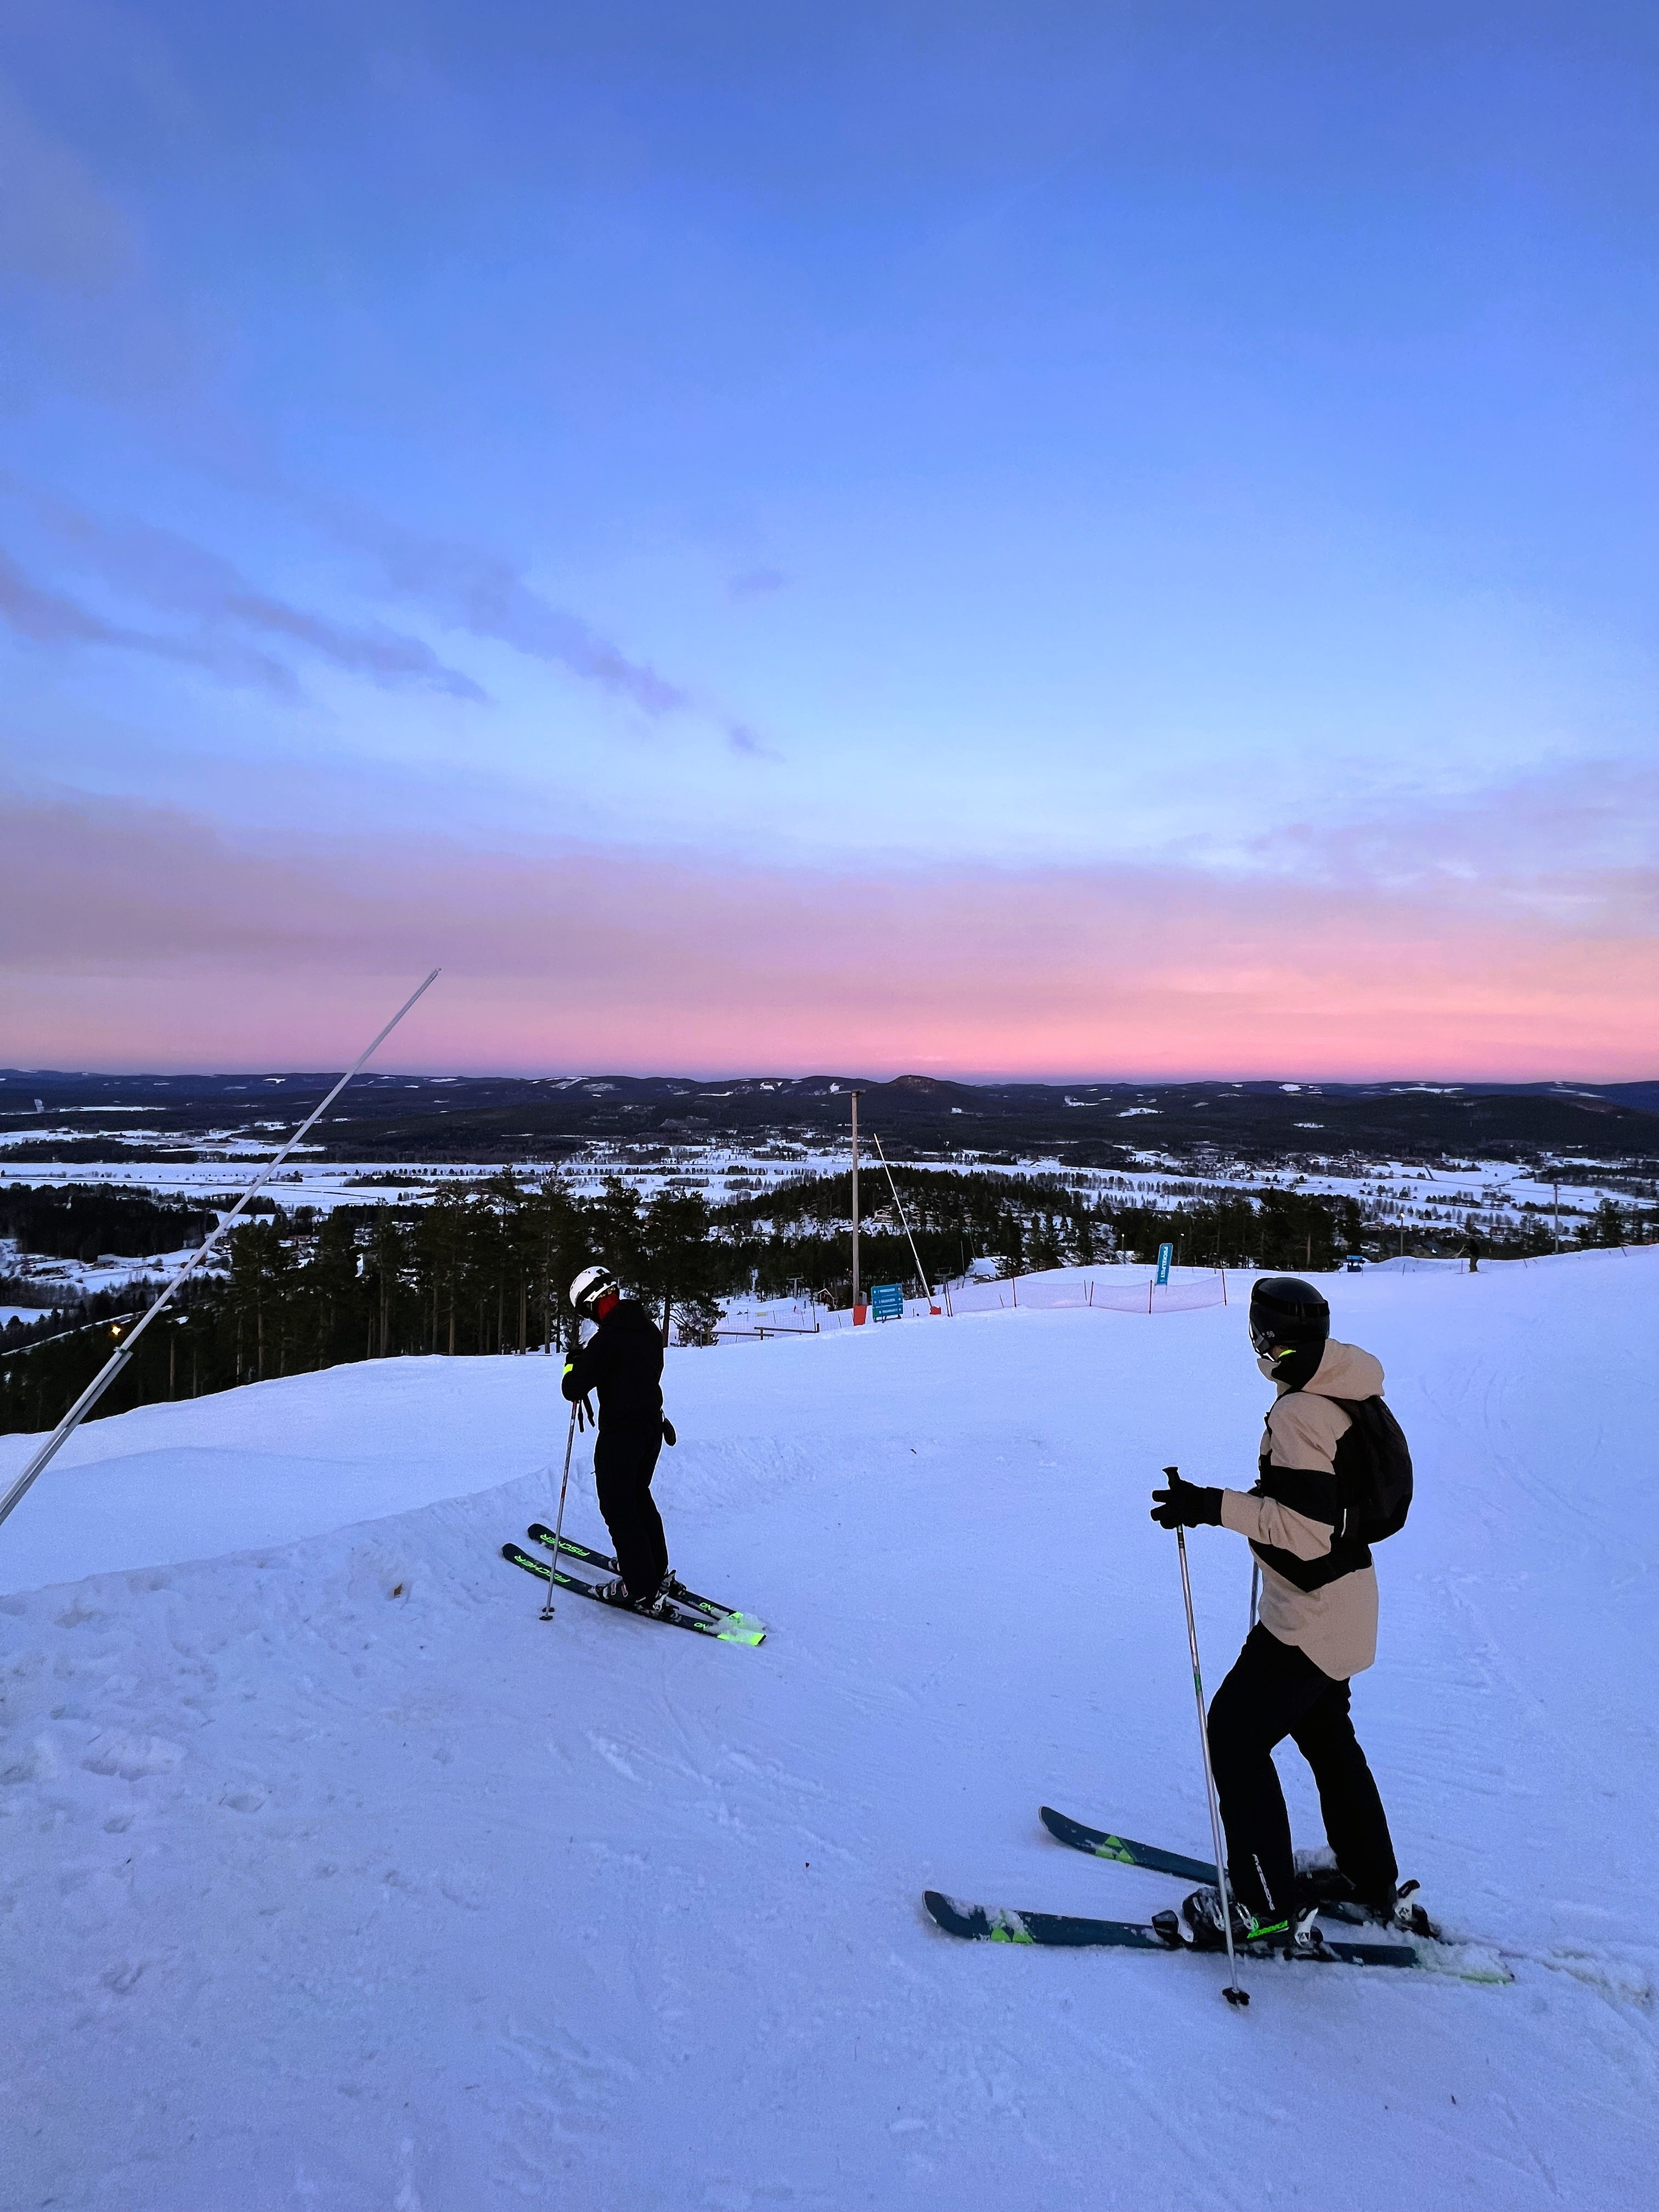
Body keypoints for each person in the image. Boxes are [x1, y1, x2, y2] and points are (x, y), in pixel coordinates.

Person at [1150, 1276, 1424, 1951]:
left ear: (1273, 1342)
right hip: (1348, 1604)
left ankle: (1262, 1906)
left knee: (1236, 1736)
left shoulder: (1304, 1410)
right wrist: (1249, 1500)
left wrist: (1211, 1506)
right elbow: (1324, 1505)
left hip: (1308, 1618)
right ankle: (1369, 1876)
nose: (1256, 1349)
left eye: (1257, 1336)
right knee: (1327, 1738)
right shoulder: (1348, 1385)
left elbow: (1304, 1529)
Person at [562, 1263, 676, 1612]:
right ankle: (653, 1570)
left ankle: (640, 1586)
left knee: (618, 1507)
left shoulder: (607, 1340)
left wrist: (572, 1363)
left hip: (621, 1438)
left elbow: (573, 1388)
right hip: (651, 1431)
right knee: (639, 1498)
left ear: (592, 1303)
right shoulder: (646, 1328)